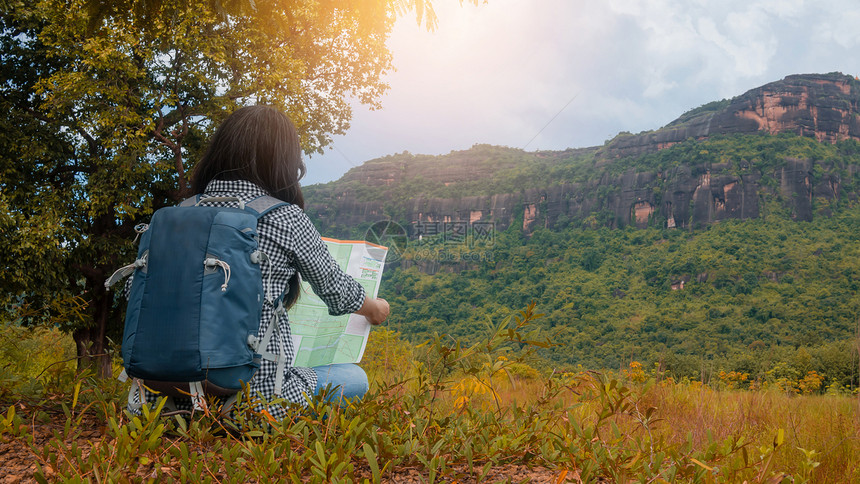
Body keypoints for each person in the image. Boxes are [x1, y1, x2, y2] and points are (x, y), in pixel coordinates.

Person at [133, 105, 389, 418]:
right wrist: (374, 308)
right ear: (283, 161)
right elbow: (336, 289)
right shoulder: (285, 217)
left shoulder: (174, 217)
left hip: (159, 402)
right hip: (256, 405)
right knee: (354, 378)